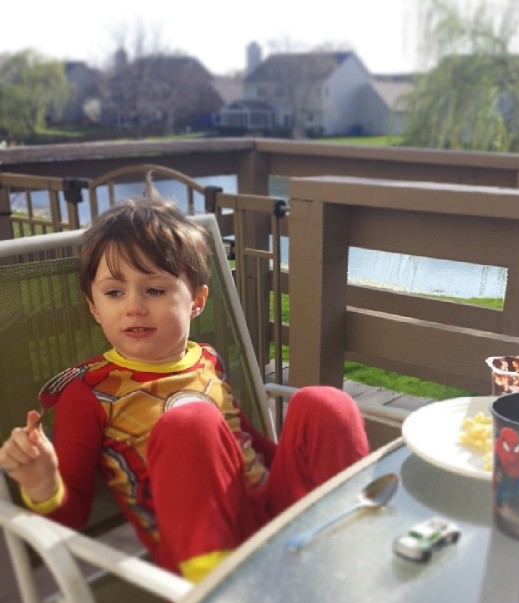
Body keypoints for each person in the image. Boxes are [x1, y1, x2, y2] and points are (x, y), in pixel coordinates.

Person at [0, 193, 369, 583]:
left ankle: (350, 538)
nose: (133, 307)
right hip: (200, 554)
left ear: (196, 301)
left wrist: (302, 462)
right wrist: (43, 484)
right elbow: (70, 518)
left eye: (154, 290)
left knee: (325, 402)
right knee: (190, 422)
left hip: (275, 517)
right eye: (114, 292)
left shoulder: (206, 359)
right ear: (94, 307)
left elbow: (247, 444)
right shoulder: (88, 391)